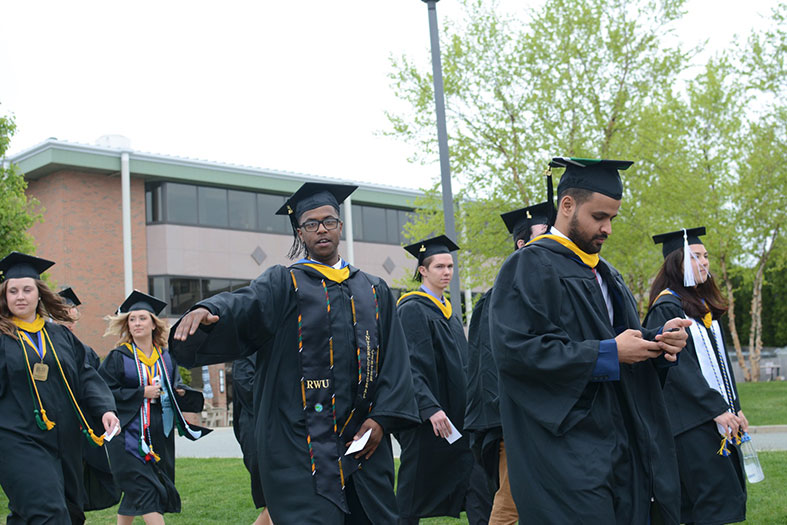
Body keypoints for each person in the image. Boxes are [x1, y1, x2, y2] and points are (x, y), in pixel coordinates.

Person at [169, 182, 420, 524]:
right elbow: (244, 304)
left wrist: (382, 420)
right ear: (299, 232)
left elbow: (395, 362)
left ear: (340, 226)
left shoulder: (374, 291)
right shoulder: (284, 285)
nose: (322, 230)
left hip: (363, 444)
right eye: (311, 224)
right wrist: (209, 309)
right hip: (303, 447)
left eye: (329, 221)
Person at [489, 158, 692, 524]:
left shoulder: (606, 272)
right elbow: (517, 351)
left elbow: (614, 339)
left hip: (620, 437)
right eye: (599, 216)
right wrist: (608, 355)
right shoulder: (528, 266)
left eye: (612, 218)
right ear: (567, 205)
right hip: (568, 445)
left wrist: (658, 345)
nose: (608, 228)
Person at [0, 252, 118, 524]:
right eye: (13, 291)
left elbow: (86, 376)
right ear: (4, 297)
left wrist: (105, 409)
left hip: (65, 440)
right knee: (49, 513)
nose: (20, 296)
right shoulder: (2, 336)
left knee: (69, 512)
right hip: (16, 439)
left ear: (39, 294)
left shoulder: (59, 335)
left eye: (27, 290)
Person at [643, 227, 747, 524]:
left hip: (713, 418)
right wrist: (716, 410)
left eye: (705, 256)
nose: (704, 263)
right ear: (677, 263)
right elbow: (679, 370)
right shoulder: (667, 308)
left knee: (719, 500)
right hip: (690, 424)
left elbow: (720, 364)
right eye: (695, 257)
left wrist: (734, 407)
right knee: (705, 505)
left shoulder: (704, 310)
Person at [465, 202, 552, 525]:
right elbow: (489, 365)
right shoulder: (500, 295)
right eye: (545, 233)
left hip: (545, 417)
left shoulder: (545, 286)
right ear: (521, 243)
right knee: (511, 501)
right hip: (513, 419)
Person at [99, 290, 210, 525]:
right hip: (127, 437)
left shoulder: (166, 357)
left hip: (158, 436)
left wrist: (179, 391)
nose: (136, 323)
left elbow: (174, 385)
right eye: (132, 319)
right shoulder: (119, 357)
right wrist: (141, 393)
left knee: (135, 493)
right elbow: (102, 392)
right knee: (146, 490)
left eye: (142, 318)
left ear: (153, 324)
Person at [395, 235, 475, 524]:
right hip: (426, 417)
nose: (447, 272)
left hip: (456, 414)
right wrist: (429, 407)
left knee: (474, 480)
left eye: (450, 266)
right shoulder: (412, 309)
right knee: (413, 486)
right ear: (423, 271)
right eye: (439, 266)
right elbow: (409, 365)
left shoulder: (449, 311)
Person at [58, 286, 123, 512]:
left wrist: (105, 409)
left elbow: (94, 383)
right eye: (61, 317)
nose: (68, 323)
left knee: (75, 493)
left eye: (71, 317)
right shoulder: (37, 349)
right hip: (47, 429)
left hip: (79, 430)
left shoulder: (83, 351)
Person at [232, 354, 273, 525]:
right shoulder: (244, 353)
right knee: (273, 501)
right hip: (257, 433)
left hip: (278, 432)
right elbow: (248, 390)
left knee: (276, 503)